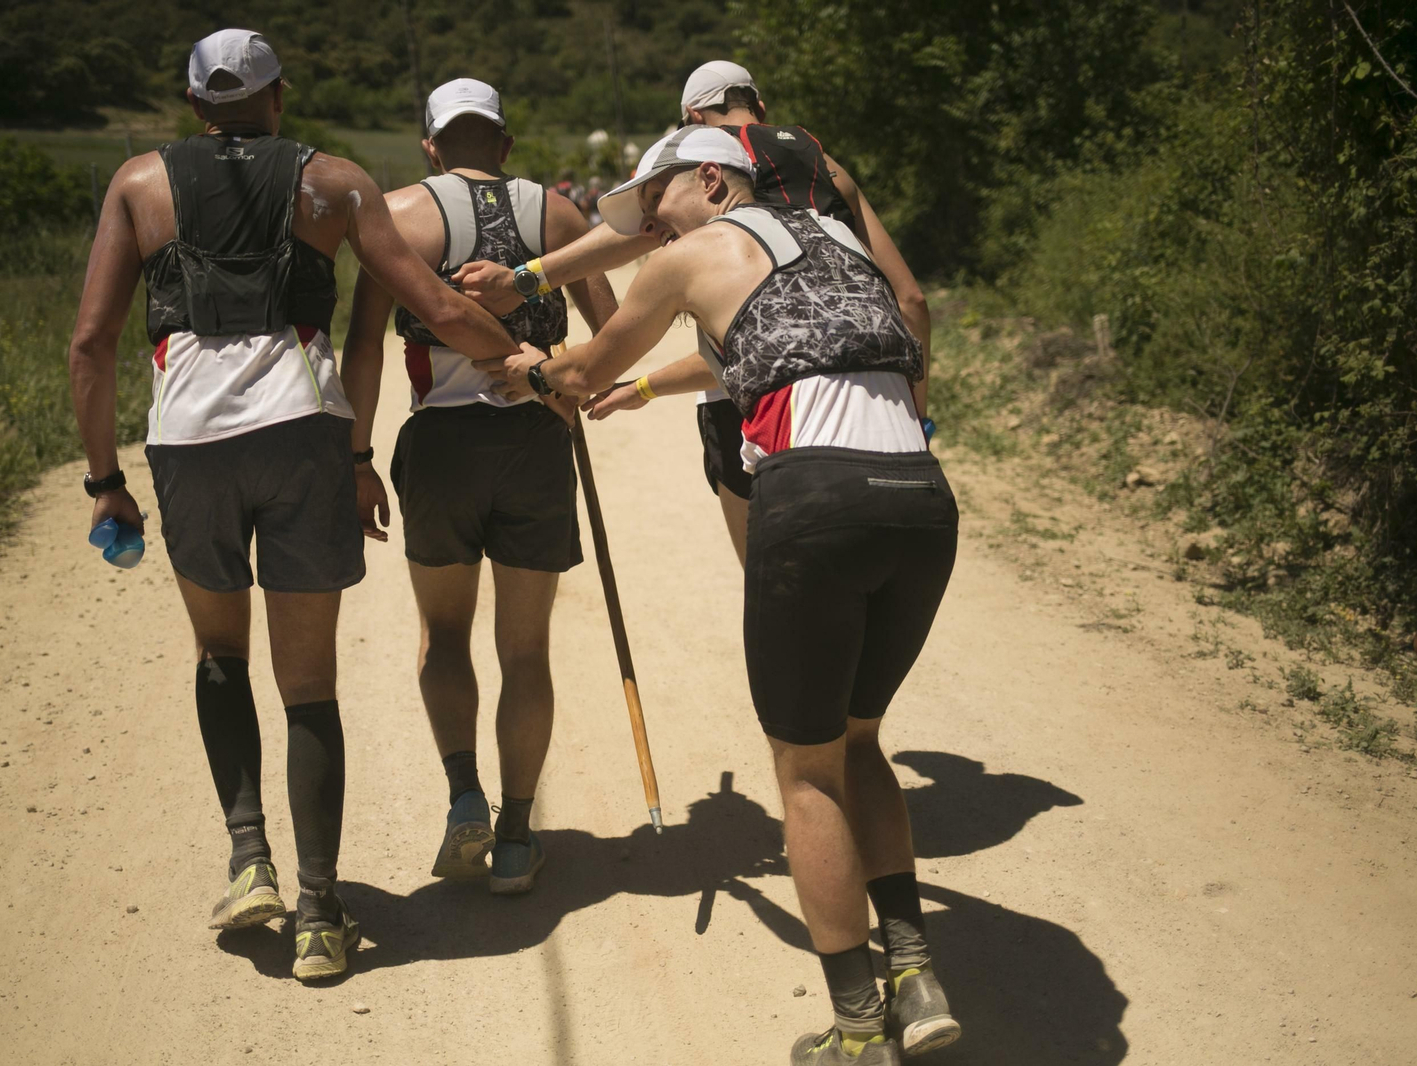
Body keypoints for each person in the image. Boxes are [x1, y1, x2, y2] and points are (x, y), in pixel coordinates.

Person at [480, 127, 960, 1064]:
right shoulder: (838, 241)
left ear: (712, 180)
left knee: (806, 769)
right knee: (860, 743)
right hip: (920, 500)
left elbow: (582, 371)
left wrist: (528, 372)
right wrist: (657, 387)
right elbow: (785, 346)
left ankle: (859, 1026)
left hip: (815, 497)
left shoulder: (694, 252)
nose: (653, 231)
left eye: (658, 207)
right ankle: (916, 970)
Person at [66, 30, 517, 981]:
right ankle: (319, 912)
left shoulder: (139, 184)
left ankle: (248, 861)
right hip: (303, 435)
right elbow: (430, 305)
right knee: (308, 682)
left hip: (189, 444)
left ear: (195, 106)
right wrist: (523, 362)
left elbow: (92, 343)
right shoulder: (336, 181)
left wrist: (105, 479)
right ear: (278, 99)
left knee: (220, 654)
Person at [454, 61, 929, 566]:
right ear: (759, 105)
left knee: (774, 587)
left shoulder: (718, 159)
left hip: (752, 401)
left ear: (693, 120)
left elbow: (636, 232)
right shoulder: (824, 166)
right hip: (889, 414)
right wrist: (919, 418)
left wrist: (525, 279)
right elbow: (912, 305)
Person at [342, 79, 617, 895]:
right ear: (502, 143)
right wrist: (567, 390)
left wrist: (356, 459)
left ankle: (465, 796)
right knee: (525, 649)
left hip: (439, 447)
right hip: (535, 444)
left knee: (446, 634)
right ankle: (519, 833)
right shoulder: (560, 215)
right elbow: (610, 340)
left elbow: (361, 346)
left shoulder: (395, 216)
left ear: (431, 145)